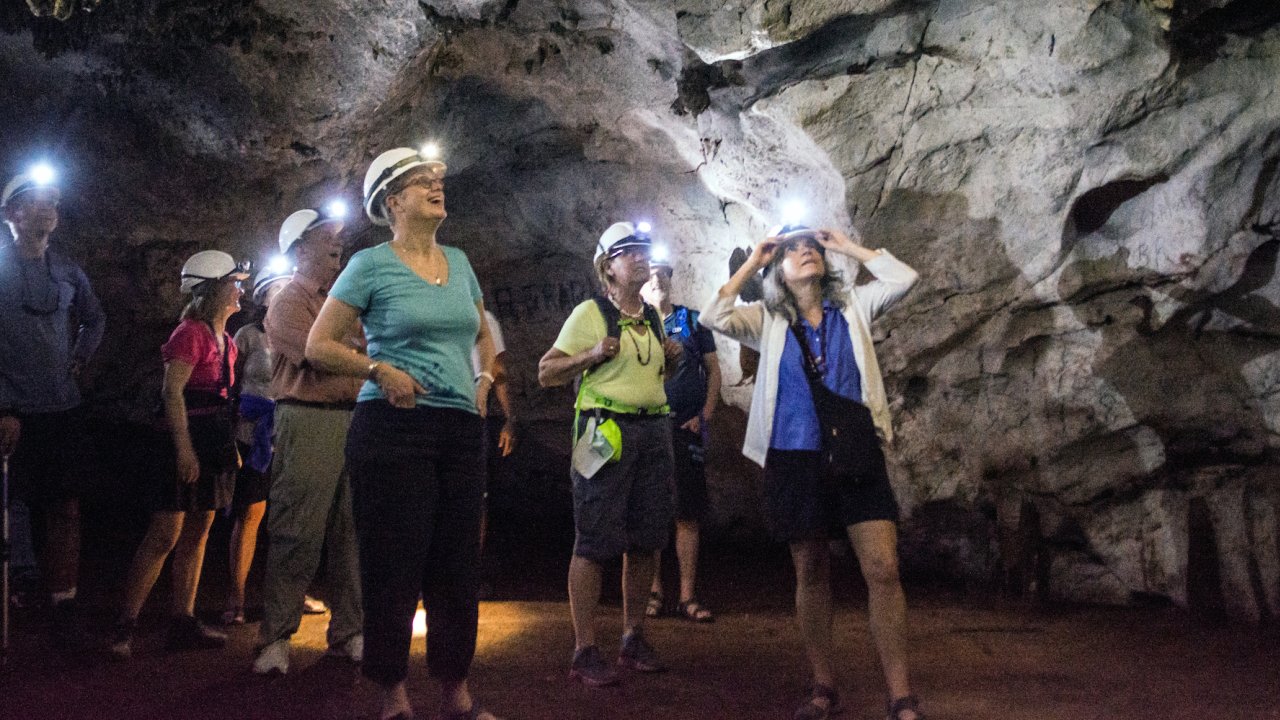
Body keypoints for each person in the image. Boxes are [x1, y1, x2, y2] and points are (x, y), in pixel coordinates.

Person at [305, 147, 502, 720]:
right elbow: (320, 345)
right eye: (420, 182)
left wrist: (485, 378)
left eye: (436, 179)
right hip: (394, 428)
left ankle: (455, 689)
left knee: (458, 561)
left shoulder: (460, 262)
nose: (436, 186)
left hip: (459, 429)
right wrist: (377, 369)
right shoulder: (370, 265)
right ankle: (392, 691)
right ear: (393, 202)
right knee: (396, 561)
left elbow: (481, 330)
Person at [699, 225, 925, 720]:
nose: (805, 253)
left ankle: (901, 695)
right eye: (793, 250)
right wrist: (753, 262)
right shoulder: (767, 320)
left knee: (883, 569)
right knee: (811, 569)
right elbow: (711, 315)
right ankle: (823, 686)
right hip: (793, 455)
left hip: (855, 453)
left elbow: (904, 278)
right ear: (778, 270)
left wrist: (847, 247)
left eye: (813, 248)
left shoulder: (854, 308)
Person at [538, 221, 682, 687]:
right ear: (608, 269)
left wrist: (672, 358)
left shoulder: (654, 318)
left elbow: (650, 374)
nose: (640, 257)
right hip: (603, 430)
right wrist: (590, 355)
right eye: (628, 252)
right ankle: (584, 648)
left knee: (647, 537)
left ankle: (632, 635)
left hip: (653, 428)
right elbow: (546, 372)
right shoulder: (591, 313)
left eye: (643, 249)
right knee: (594, 539)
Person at [110, 250, 248, 659]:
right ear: (211, 290)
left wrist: (229, 451)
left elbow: (223, 400)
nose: (239, 289)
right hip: (183, 438)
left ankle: (182, 621)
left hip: (212, 439)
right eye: (233, 283)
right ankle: (125, 625)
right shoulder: (189, 334)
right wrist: (184, 449)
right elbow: (172, 393)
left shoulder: (225, 340)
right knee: (165, 535)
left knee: (199, 530)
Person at [252, 206, 365, 675]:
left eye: (337, 236)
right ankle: (275, 638)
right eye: (325, 237)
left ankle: (350, 631)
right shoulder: (288, 302)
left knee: (352, 531)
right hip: (308, 419)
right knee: (297, 529)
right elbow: (325, 357)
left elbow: (362, 348)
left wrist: (355, 351)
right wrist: (355, 351)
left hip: (352, 418)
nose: (337, 243)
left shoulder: (341, 300)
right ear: (299, 250)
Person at [0, 166, 105, 647]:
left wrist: (78, 359)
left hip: (61, 408)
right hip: (12, 410)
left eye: (54, 203)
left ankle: (64, 605)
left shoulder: (67, 272)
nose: (50, 210)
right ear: (12, 212)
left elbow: (94, 318)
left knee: (65, 504)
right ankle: (18, 586)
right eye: (38, 201)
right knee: (11, 504)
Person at [640, 255, 721, 623]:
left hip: (684, 428)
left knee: (687, 511)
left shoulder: (691, 320)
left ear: (672, 278)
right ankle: (653, 591)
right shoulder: (635, 323)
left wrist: (705, 415)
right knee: (651, 510)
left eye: (663, 273)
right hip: (650, 428)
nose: (657, 279)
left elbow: (714, 369)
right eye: (651, 274)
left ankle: (687, 594)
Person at [221, 270, 288, 626]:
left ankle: (289, 592)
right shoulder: (247, 337)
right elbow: (229, 386)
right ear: (262, 298)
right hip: (253, 436)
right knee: (250, 516)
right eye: (278, 288)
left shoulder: (298, 333)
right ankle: (237, 596)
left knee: (290, 518)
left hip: (290, 435)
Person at [471, 309, 515, 597]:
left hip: (475, 414)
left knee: (476, 497)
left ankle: (469, 571)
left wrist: (510, 419)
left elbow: (497, 371)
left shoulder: (485, 318)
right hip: (436, 411)